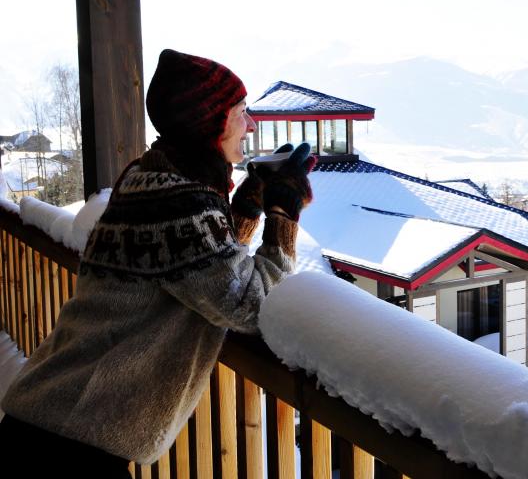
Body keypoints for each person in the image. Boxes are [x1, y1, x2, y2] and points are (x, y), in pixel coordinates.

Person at [0, 49, 316, 476]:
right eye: (241, 111)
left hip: (57, 420)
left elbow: (198, 266)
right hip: (72, 439)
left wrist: (244, 209)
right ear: (209, 123)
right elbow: (247, 304)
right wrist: (284, 215)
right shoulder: (179, 201)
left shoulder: (152, 178)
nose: (252, 123)